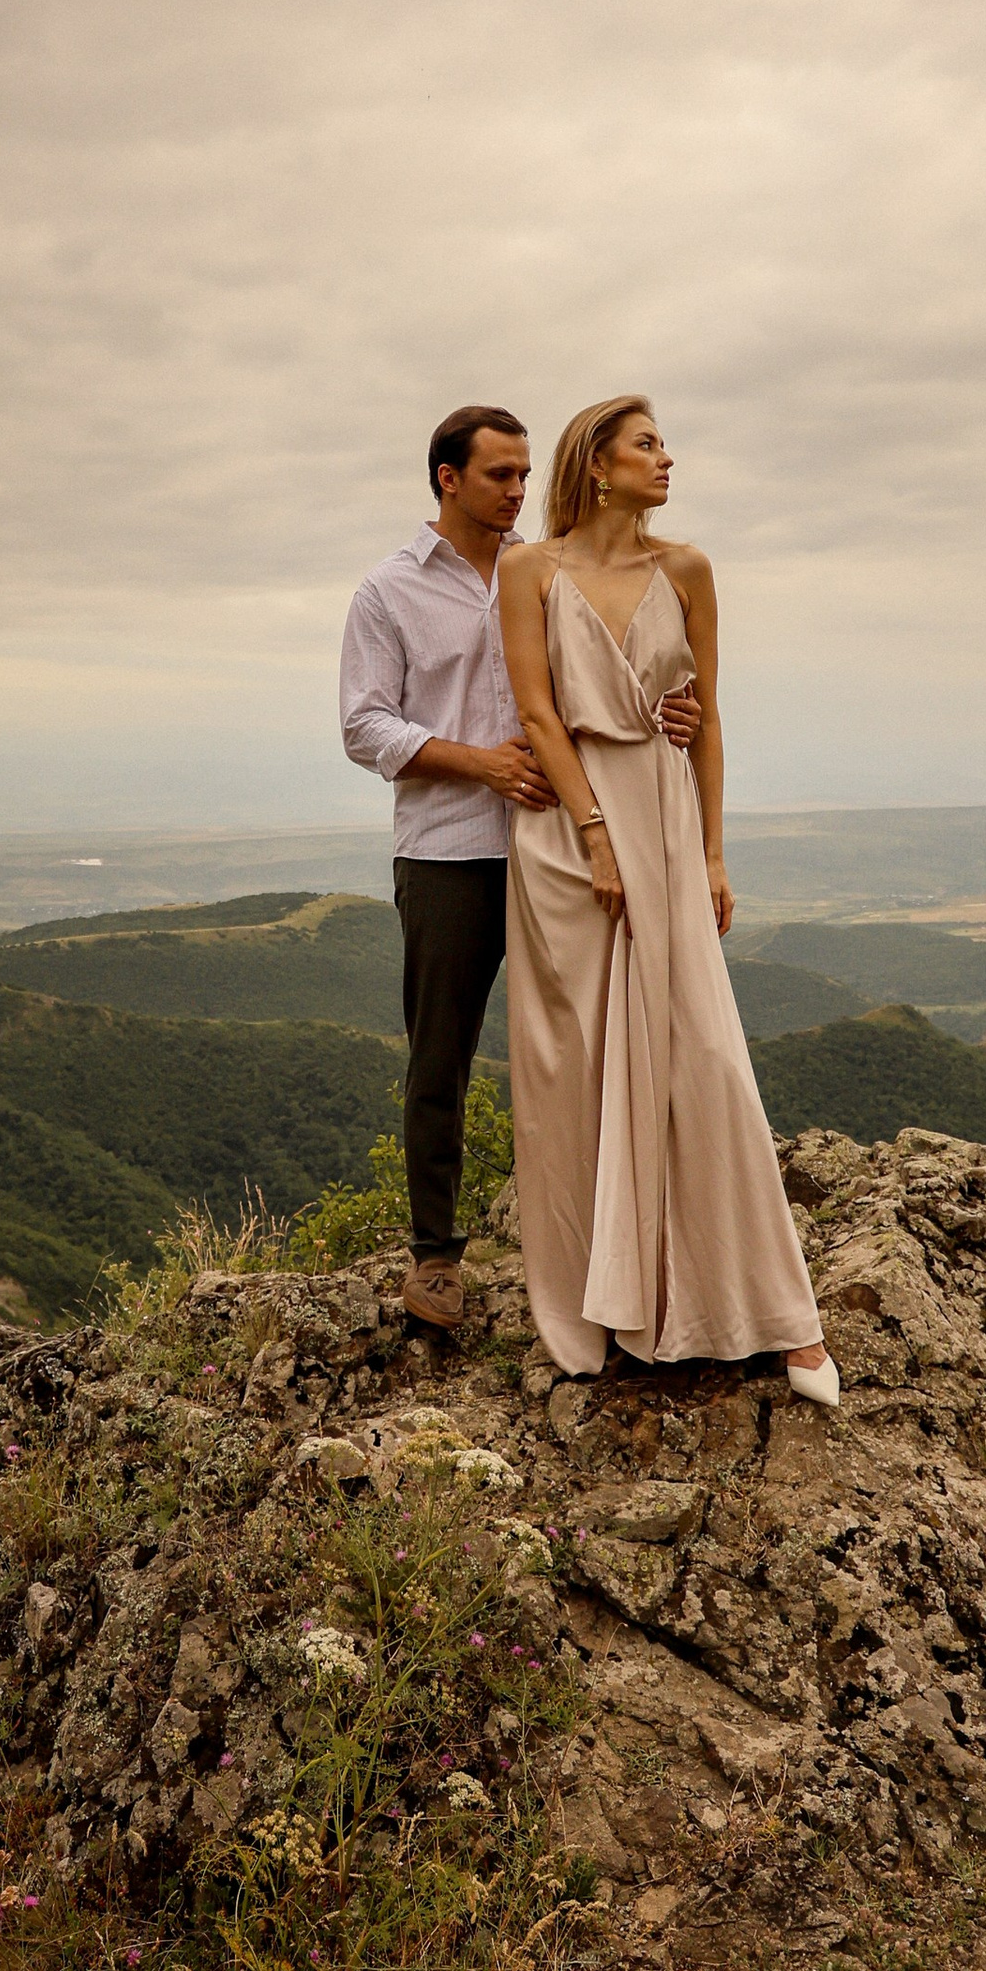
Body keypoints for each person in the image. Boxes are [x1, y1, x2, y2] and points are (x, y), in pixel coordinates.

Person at [497, 394, 838, 1397]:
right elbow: (535, 711)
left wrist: (713, 854)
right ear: (595, 464)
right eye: (648, 444)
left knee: (701, 1050)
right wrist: (593, 834)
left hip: (661, 809)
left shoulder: (685, 568)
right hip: (566, 836)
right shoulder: (530, 569)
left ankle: (779, 1313)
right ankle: (600, 1309)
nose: (668, 459)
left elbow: (711, 719)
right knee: (576, 1073)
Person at [339, 404, 698, 1331]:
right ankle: (434, 1258)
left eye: (527, 473)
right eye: (500, 475)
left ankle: (604, 1245)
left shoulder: (553, 568)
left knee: (587, 1043)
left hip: (566, 848)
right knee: (442, 1055)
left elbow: (605, 685)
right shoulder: (388, 592)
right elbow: (364, 724)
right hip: (453, 850)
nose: (518, 490)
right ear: (447, 479)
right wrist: (482, 762)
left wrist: (671, 717)